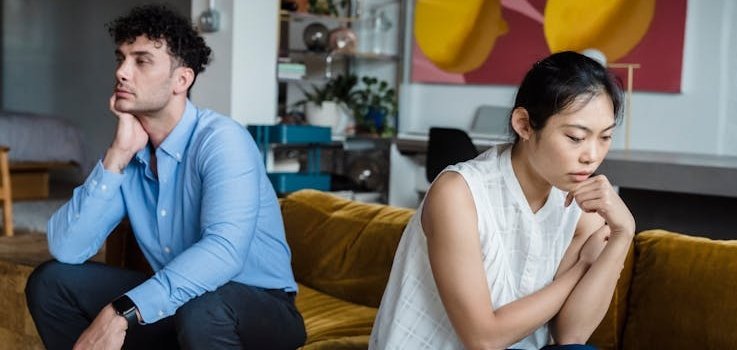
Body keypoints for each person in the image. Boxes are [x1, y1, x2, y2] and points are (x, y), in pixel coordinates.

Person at [25, 5, 306, 350]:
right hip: (184, 301)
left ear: (181, 80)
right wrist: (117, 155)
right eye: (121, 58)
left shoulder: (222, 140)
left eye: (141, 61)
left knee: (203, 309)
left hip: (259, 308)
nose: (122, 73)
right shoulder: (132, 150)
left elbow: (224, 251)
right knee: (51, 282)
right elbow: (67, 248)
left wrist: (123, 311)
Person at [370, 51, 635, 350]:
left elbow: (570, 335)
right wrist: (581, 268)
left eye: (605, 137)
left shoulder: (581, 208)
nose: (592, 156)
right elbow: (483, 339)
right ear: (524, 124)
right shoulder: (458, 193)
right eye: (575, 137)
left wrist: (622, 235)